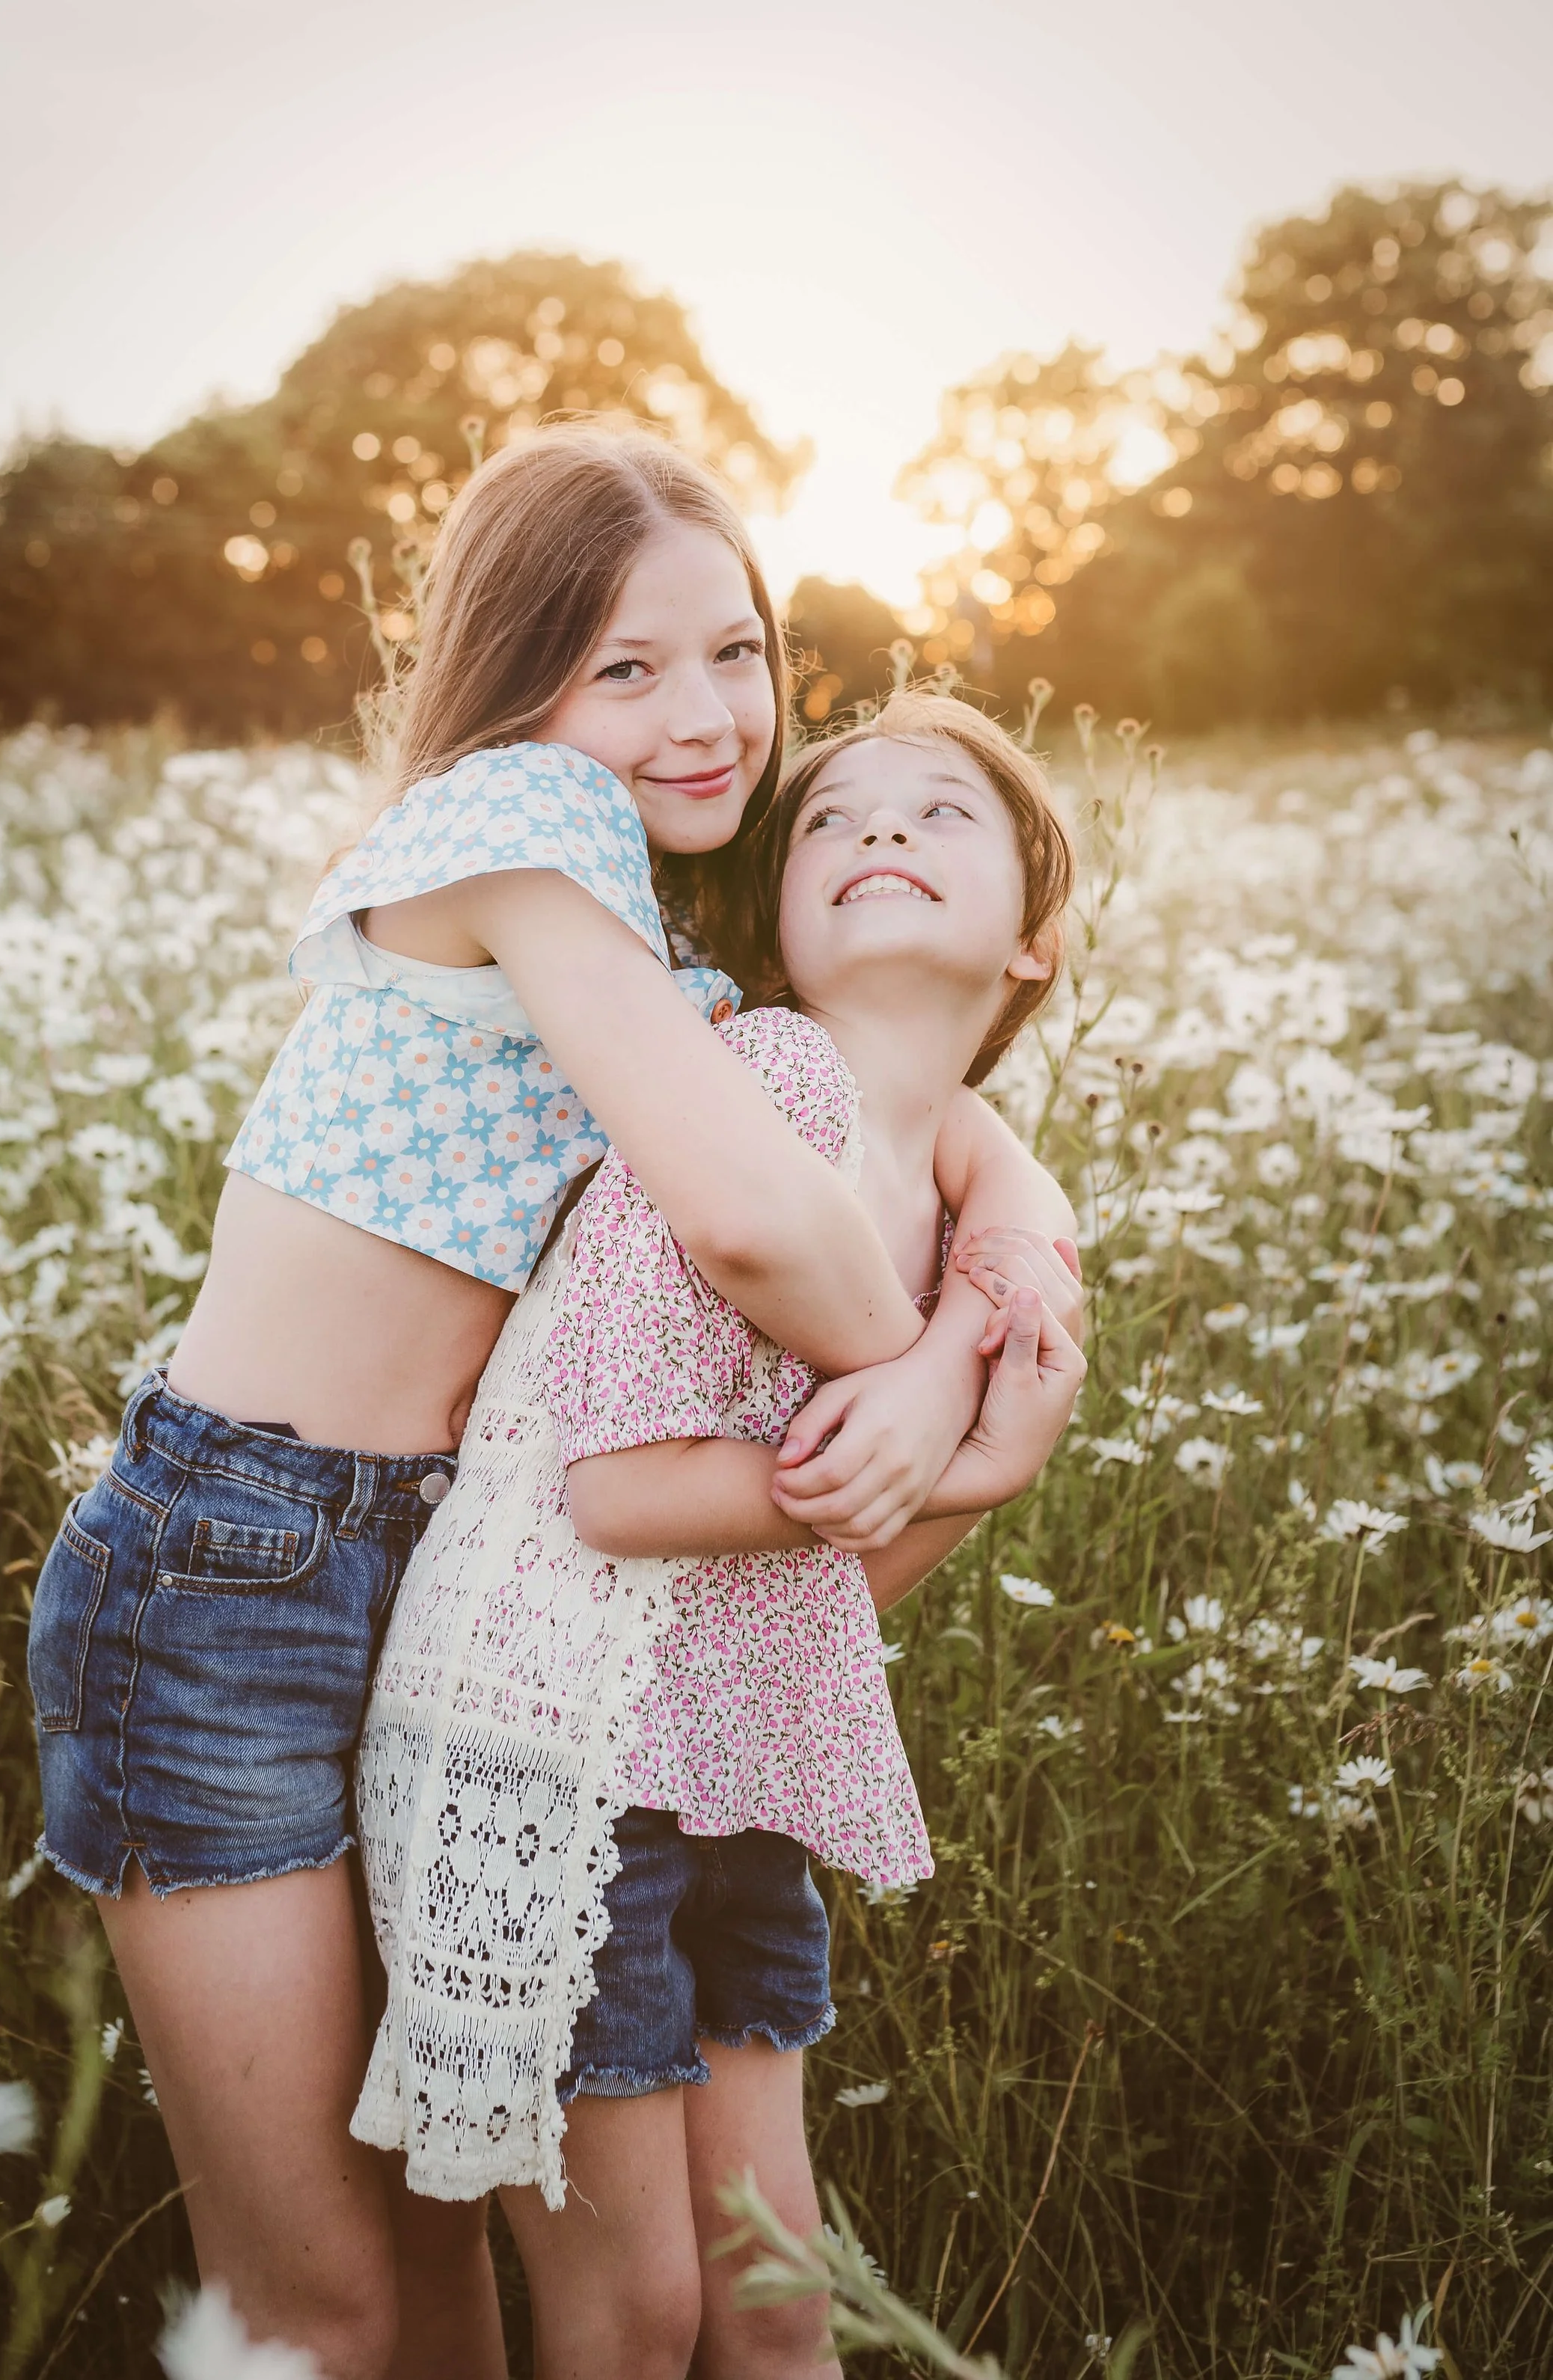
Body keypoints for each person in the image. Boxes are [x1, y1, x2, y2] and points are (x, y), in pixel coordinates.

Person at [25, 421, 1067, 2380]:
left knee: (448, 2290)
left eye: (739, 651)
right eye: (628, 665)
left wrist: (994, 1244)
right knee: (326, 2305)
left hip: (436, 1576)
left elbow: (889, 1094)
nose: (709, 713)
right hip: (228, 1577)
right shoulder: (513, 824)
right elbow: (761, 1214)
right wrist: (926, 1377)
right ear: (518, 681)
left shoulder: (641, 938)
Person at [355, 691, 1084, 2380]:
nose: (879, 835)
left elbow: (810, 1599)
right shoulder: (759, 1084)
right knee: (638, 2315)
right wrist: (962, 1461)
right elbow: (615, 1496)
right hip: (550, 1757)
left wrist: (978, 1336)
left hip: (725, 1769)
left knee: (775, 2304)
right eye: (831, 821)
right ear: (768, 908)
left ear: (1033, 946)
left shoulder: (962, 1166)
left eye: (936, 815)